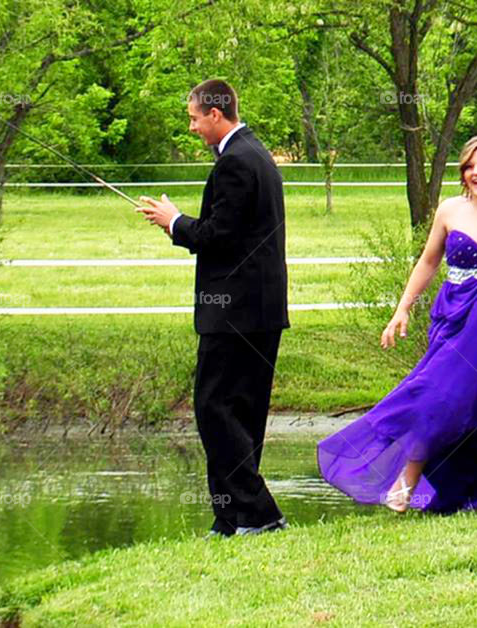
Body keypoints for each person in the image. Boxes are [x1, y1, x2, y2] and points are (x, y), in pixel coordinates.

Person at [317, 135, 477, 514]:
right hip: (459, 317)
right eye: (469, 166)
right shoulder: (450, 210)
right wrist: (402, 309)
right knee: (438, 395)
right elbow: (428, 262)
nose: (475, 172)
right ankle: (406, 481)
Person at [137, 79, 289, 536]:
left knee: (213, 407)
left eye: (194, 118)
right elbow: (236, 231)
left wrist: (174, 223)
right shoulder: (255, 154)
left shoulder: (236, 164)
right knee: (242, 411)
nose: (192, 127)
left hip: (235, 313)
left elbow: (217, 238)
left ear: (216, 115)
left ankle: (260, 513)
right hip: (260, 311)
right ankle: (232, 518)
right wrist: (180, 221)